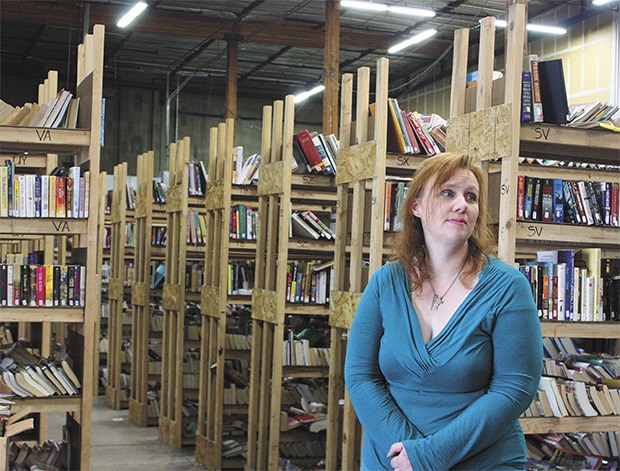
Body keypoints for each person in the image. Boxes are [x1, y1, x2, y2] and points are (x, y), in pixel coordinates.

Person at [344, 152, 543, 470]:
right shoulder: (386, 281)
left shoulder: (508, 286)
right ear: (417, 206)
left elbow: (515, 387)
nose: (462, 204)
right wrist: (408, 453)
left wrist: (431, 455)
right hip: (393, 459)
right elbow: (360, 375)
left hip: (483, 461)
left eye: (471, 197)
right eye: (447, 193)